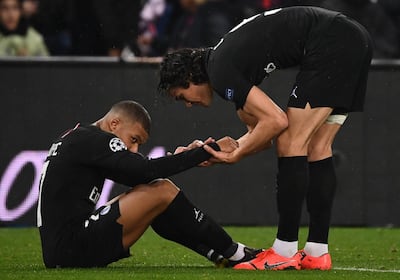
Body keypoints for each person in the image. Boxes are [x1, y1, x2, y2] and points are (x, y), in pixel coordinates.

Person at [158, 6, 373, 270]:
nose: (188, 105)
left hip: (332, 42)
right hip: (352, 38)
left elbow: (276, 122)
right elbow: (260, 137)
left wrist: (232, 154)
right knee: (317, 146)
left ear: (190, 77)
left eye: (182, 96)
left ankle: (284, 251)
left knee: (291, 141)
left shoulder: (219, 70)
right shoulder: (224, 64)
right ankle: (317, 252)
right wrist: (210, 153)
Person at [36, 100, 261, 268]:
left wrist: (188, 154)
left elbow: (140, 176)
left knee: (153, 194)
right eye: (134, 140)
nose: (133, 149)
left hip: (64, 247)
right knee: (161, 190)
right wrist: (207, 151)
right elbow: (145, 170)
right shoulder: (94, 139)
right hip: (71, 247)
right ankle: (233, 251)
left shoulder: (80, 137)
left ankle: (216, 253)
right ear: (114, 123)